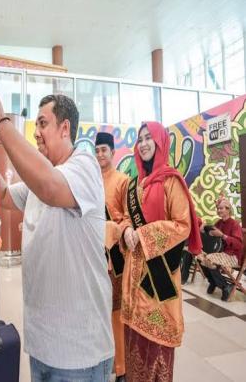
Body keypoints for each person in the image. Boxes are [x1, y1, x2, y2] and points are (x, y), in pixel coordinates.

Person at [0, 84, 114, 382]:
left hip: (79, 354)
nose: (36, 132)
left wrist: (1, 123)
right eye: (35, 124)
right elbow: (3, 197)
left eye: (42, 123)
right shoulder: (40, 181)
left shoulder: (83, 168)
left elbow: (51, 187)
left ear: (65, 128)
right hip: (42, 346)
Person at [120, 122, 201, 382]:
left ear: (160, 142)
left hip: (159, 276)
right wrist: (125, 231)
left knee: (155, 347)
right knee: (134, 341)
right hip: (134, 273)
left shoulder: (170, 180)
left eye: (148, 138)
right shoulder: (134, 184)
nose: (143, 143)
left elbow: (183, 224)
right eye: (140, 139)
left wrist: (143, 234)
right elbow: (124, 217)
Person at [95, 132, 129, 382]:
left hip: (116, 257)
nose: (100, 155)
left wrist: (113, 230)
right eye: (97, 151)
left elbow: (128, 218)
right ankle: (102, 360)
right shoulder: (92, 181)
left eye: (104, 150)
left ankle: (121, 367)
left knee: (116, 312)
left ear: (113, 152)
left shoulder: (123, 181)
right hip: (93, 254)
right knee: (97, 310)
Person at [198, 196, 243, 301]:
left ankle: (225, 286)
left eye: (221, 208)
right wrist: (203, 231)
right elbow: (212, 238)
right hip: (220, 253)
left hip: (232, 256)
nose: (219, 210)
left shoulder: (235, 224)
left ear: (228, 209)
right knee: (200, 257)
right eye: (218, 208)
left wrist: (223, 236)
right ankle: (213, 282)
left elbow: (239, 245)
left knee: (209, 259)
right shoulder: (218, 223)